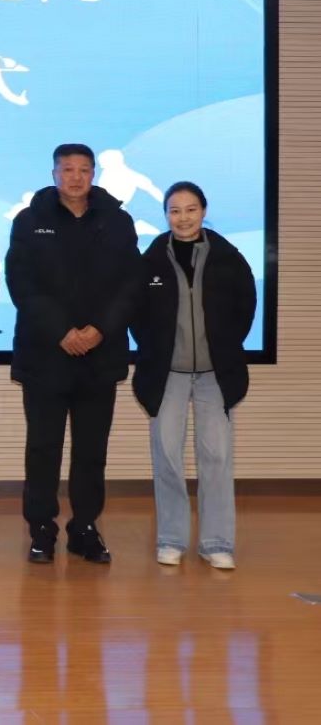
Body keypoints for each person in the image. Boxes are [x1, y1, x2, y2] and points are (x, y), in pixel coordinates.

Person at [6, 144, 139, 565]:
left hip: (101, 355)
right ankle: (42, 530)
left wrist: (100, 329)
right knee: (42, 449)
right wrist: (61, 331)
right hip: (45, 355)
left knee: (91, 451)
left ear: (93, 174)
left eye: (83, 170)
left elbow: (130, 284)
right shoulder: (30, 221)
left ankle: (85, 528)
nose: (76, 177)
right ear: (54, 174)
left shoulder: (117, 221)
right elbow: (22, 283)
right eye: (67, 169)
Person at [131, 182, 256, 570]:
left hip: (215, 374)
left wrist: (225, 346)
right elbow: (137, 315)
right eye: (174, 210)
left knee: (216, 457)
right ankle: (171, 539)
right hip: (166, 373)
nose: (182, 218)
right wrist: (155, 350)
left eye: (190, 209)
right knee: (167, 455)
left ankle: (217, 543)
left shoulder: (228, 259)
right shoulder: (150, 261)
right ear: (166, 215)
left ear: (203, 211)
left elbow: (245, 308)